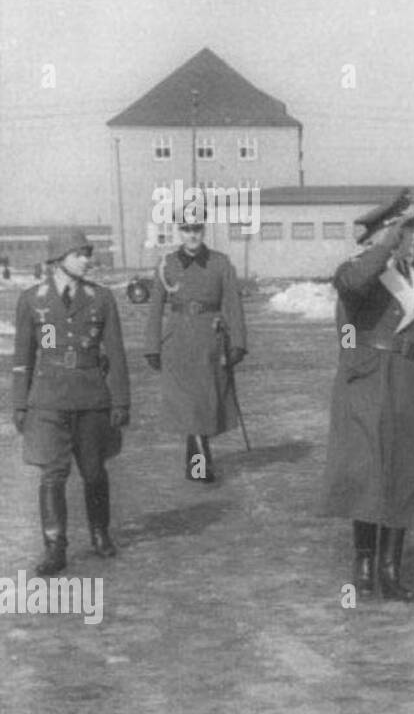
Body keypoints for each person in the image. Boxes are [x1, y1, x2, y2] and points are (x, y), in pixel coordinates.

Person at [322, 198, 414, 602]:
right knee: (368, 471)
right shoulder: (357, 271)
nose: (412, 238)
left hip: (412, 382)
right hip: (366, 381)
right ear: (385, 235)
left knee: (404, 473)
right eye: (404, 231)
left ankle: (390, 568)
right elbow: (353, 286)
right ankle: (364, 561)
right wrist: (384, 247)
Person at [11, 230, 130, 574]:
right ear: (59, 258)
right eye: (80, 254)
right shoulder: (32, 300)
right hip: (47, 400)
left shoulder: (101, 298)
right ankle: (55, 547)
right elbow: (22, 359)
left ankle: (99, 533)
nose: (87, 260)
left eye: (88, 253)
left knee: (94, 472)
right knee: (53, 474)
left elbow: (117, 355)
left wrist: (120, 401)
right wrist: (20, 404)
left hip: (91, 398)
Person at [143, 209, 246, 483]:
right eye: (186, 230)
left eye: (197, 230)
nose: (192, 236)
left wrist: (238, 343)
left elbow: (233, 305)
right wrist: (152, 345)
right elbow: (155, 308)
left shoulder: (220, 263)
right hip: (177, 342)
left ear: (203, 231)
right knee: (190, 405)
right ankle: (201, 465)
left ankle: (195, 461)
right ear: (179, 231)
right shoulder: (167, 264)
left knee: (203, 404)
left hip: (209, 342)